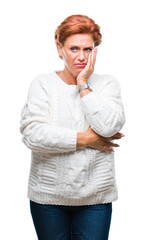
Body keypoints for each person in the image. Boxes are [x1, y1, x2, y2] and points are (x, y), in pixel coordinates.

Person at [20, 14, 125, 240]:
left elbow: (109, 126)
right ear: (60, 49)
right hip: (48, 198)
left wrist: (84, 86)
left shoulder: (107, 84)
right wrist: (85, 139)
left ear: (95, 50)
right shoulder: (43, 84)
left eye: (88, 49)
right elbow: (32, 134)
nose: (81, 56)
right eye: (74, 48)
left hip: (95, 198)